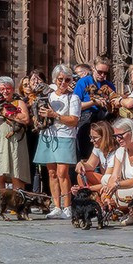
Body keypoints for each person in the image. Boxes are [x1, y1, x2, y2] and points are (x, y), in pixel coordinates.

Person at [36, 64, 80, 219]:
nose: (63, 83)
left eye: (67, 80)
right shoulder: (48, 95)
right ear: (55, 79)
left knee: (62, 172)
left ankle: (67, 206)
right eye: (60, 79)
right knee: (52, 172)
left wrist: (55, 115)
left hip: (65, 136)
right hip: (48, 135)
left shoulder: (73, 98)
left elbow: (74, 120)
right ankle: (57, 206)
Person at [101, 118, 133, 208]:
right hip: (127, 184)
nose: (118, 139)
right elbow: (114, 176)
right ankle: (113, 204)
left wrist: (116, 185)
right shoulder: (120, 151)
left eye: (120, 135)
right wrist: (108, 192)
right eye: (115, 136)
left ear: (132, 132)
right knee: (106, 178)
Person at [72, 57, 115, 161]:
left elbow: (113, 108)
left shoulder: (109, 85)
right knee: (85, 154)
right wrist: (94, 102)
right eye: (100, 72)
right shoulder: (83, 82)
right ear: (93, 68)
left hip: (102, 122)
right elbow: (76, 106)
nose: (102, 75)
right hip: (86, 120)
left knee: (103, 153)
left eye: (105, 73)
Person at [0, 75, 31, 190]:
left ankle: (17, 206)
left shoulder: (19, 102)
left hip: (16, 143)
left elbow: (26, 119)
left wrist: (7, 113)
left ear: (12, 89)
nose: (5, 91)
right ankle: (0, 205)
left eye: (7, 88)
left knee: (16, 174)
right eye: (2, 89)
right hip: (0, 143)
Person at [75, 121, 119, 190]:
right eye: (91, 137)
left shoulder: (116, 153)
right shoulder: (98, 147)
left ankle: (89, 196)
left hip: (113, 182)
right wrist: (81, 164)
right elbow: (90, 165)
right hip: (105, 180)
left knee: (105, 180)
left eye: (95, 138)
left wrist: (86, 189)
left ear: (105, 137)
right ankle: (87, 198)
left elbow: (108, 181)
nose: (91, 140)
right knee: (81, 175)